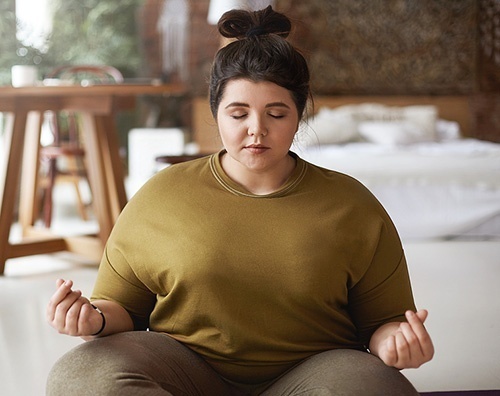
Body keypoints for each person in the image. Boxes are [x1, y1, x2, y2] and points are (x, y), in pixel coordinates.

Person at [46, 6, 434, 396]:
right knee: (80, 376)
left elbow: (384, 323)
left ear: (299, 117)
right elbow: (121, 310)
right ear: (216, 113)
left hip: (314, 372)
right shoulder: (161, 195)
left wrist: (397, 344)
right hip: (184, 369)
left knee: (380, 388)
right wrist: (91, 318)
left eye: (276, 114)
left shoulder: (352, 205)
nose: (256, 130)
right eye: (238, 113)